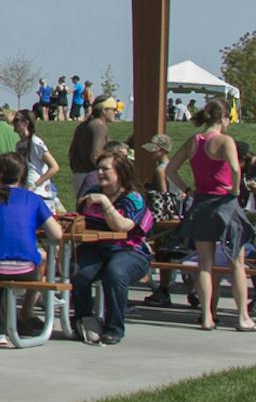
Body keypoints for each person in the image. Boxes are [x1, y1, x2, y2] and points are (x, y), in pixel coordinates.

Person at [168, 100, 250, 331]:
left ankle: (206, 316)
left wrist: (187, 189)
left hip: (201, 203)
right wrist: (235, 190)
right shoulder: (225, 141)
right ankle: (242, 317)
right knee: (237, 262)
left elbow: (170, 170)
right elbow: (235, 168)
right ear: (223, 117)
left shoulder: (194, 141)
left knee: (205, 263)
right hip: (225, 203)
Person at [0, 153, 64, 347]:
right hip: (28, 269)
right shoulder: (33, 199)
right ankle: (20, 318)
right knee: (19, 261)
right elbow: (56, 234)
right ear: (23, 176)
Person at [71, 151, 151, 346]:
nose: (99, 173)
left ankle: (114, 328)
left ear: (119, 172)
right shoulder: (92, 193)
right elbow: (81, 219)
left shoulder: (133, 198)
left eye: (105, 169)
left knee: (115, 273)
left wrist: (105, 202)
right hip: (95, 247)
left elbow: (122, 227)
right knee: (79, 272)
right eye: (98, 168)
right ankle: (84, 319)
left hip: (129, 251)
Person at [10, 109, 59, 203]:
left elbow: (54, 167)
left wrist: (35, 185)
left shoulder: (35, 142)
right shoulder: (19, 145)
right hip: (25, 190)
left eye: (16, 120)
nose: (13, 122)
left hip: (38, 193)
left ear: (25, 123)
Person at [68, 101, 111, 179]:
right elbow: (95, 155)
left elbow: (71, 152)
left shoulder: (83, 125)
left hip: (79, 174)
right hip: (92, 176)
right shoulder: (98, 126)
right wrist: (107, 171)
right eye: (113, 109)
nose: (115, 112)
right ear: (104, 110)